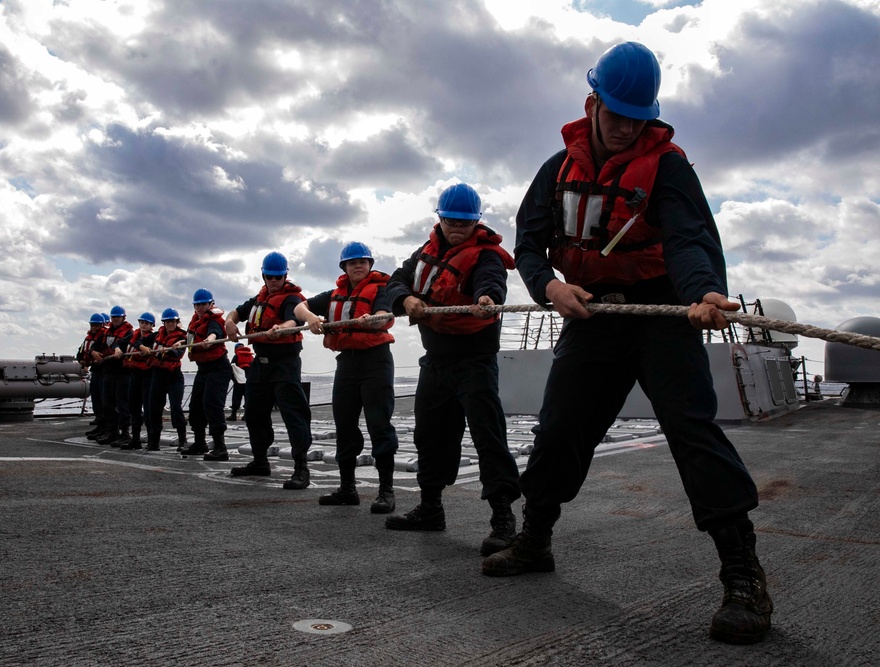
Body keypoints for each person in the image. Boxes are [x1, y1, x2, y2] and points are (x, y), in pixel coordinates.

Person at [483, 42, 772, 645]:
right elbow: (530, 244)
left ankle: (742, 574)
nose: (626, 127)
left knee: (693, 430)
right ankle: (535, 539)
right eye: (617, 114)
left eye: (638, 117)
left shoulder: (669, 168)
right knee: (560, 430)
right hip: (591, 319)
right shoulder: (555, 169)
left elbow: (691, 238)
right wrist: (548, 288)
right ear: (592, 104)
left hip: (662, 313)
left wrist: (707, 293)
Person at [384, 183, 522, 556]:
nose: (458, 227)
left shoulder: (486, 256)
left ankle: (503, 518)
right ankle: (431, 508)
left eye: (465, 221)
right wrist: (407, 297)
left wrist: (487, 299)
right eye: (451, 221)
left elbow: (492, 282)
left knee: (488, 437)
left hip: (474, 361)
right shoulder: (423, 254)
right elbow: (394, 282)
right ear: (440, 219)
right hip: (436, 360)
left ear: (476, 221)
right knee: (430, 435)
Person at [294, 241, 399, 514]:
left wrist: (371, 320)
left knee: (379, 424)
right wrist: (310, 317)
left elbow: (383, 315)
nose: (358, 266)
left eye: (363, 262)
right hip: (347, 365)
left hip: (376, 362)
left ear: (370, 265)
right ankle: (347, 489)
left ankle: (386, 491)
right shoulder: (333, 295)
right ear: (344, 267)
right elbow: (299, 307)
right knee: (344, 425)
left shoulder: (381, 290)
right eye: (352, 263)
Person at [224, 251, 313, 490]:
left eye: (278, 277)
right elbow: (236, 312)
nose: (274, 281)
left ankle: (301, 468)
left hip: (285, 363)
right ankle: (260, 461)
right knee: (253, 414)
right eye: (270, 277)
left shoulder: (292, 298)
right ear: (263, 276)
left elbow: (294, 320)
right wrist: (229, 322)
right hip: (260, 364)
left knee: (294, 416)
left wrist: (280, 328)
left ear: (285, 276)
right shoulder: (259, 299)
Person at [182, 288, 232, 461]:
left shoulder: (214, 320)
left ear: (211, 304)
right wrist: (179, 343)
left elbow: (214, 333)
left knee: (212, 405)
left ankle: (220, 447)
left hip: (218, 368)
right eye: (198, 305)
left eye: (204, 304)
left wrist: (209, 341)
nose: (201, 307)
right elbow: (191, 339)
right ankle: (200, 443)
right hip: (203, 369)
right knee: (196, 406)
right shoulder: (195, 321)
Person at [147, 308, 188, 452]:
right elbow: (140, 340)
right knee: (154, 408)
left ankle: (182, 440)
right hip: (158, 375)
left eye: (173, 321)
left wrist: (169, 349)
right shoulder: (157, 335)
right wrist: (140, 346)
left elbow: (178, 353)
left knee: (176, 407)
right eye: (168, 322)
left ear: (177, 322)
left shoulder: (183, 337)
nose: (170, 324)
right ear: (163, 323)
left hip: (174, 376)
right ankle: (154, 441)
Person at [98, 305, 134, 447]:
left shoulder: (129, 333)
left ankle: (125, 433)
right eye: (113, 317)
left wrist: (117, 349)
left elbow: (123, 344)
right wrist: (93, 353)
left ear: (124, 318)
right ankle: (112, 431)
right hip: (108, 372)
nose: (115, 319)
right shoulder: (106, 333)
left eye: (117, 317)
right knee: (107, 404)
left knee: (122, 404)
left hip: (122, 373)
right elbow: (96, 346)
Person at [120, 311, 157, 450]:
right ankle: (135, 439)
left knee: (148, 409)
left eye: (146, 323)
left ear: (151, 325)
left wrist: (141, 346)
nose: (143, 325)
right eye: (141, 322)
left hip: (147, 375)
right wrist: (118, 348)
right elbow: (122, 342)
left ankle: (151, 439)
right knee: (133, 408)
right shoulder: (133, 336)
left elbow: (141, 343)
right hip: (134, 376)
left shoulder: (153, 337)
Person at [79, 313, 108, 440]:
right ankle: (100, 425)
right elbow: (80, 353)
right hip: (95, 371)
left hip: (105, 371)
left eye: (97, 325)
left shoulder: (104, 337)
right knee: (96, 399)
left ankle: (107, 427)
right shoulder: (88, 338)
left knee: (105, 401)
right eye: (93, 324)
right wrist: (82, 361)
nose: (94, 327)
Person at [228, 342, 253, 421]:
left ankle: (233, 415)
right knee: (248, 398)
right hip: (249, 381)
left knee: (236, 397)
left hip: (238, 381)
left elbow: (231, 368)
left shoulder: (237, 356)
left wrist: (233, 379)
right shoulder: (251, 356)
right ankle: (246, 415)